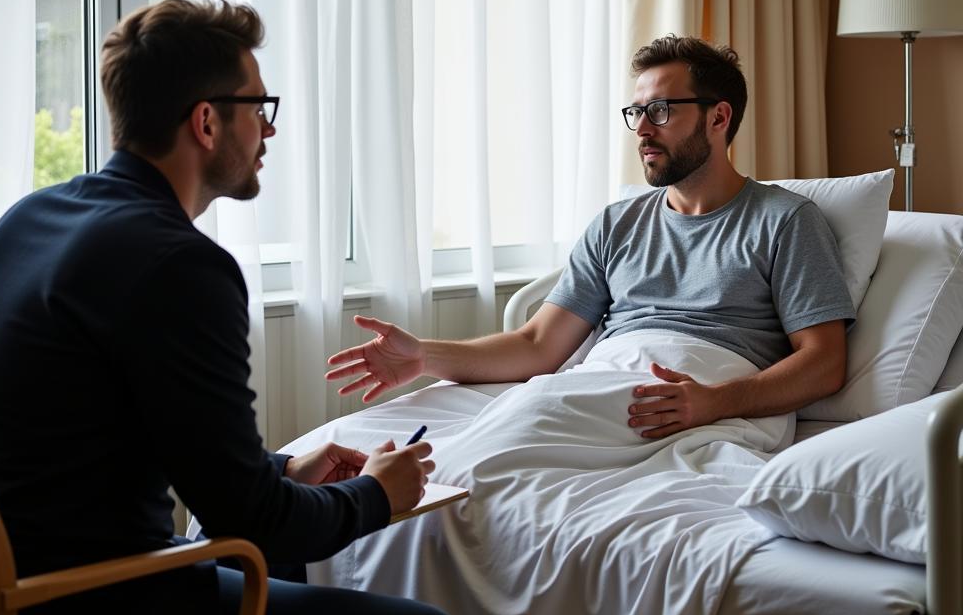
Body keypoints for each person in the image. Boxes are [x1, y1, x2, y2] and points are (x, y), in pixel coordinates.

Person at [0, 0, 477, 615]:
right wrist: (374, 496)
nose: (272, 129)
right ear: (207, 122)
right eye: (261, 106)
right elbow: (250, 520)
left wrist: (289, 469)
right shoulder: (179, 266)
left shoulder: (31, 220)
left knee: (291, 572)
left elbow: (132, 437)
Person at [327, 35, 854, 428]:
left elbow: (824, 363)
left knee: (507, 444)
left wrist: (718, 401)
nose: (643, 129)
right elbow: (537, 345)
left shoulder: (785, 221)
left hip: (702, 391)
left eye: (661, 111)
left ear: (719, 118)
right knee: (474, 439)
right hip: (608, 383)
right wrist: (424, 356)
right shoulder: (617, 224)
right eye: (637, 112)